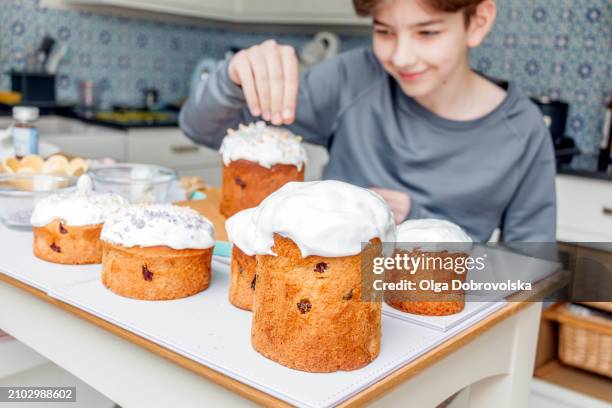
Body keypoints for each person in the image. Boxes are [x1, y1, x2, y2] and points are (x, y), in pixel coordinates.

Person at [179, 0, 556, 242]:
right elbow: (203, 129)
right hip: (326, 297)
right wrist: (233, 77)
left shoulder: (523, 133)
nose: (403, 57)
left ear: (477, 22)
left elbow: (532, 274)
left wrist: (415, 222)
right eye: (384, 32)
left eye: (428, 32)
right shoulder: (354, 77)